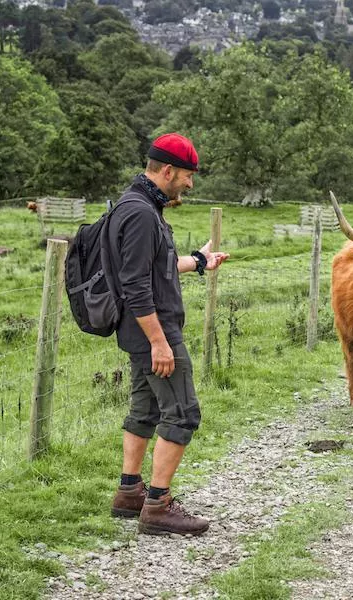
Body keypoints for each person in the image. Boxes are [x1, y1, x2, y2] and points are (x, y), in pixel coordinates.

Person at [109, 133, 229, 536]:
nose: (190, 185)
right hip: (153, 329)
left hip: (138, 328)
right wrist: (160, 342)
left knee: (145, 409)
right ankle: (158, 506)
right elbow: (135, 284)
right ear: (168, 170)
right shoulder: (143, 214)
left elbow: (152, 267)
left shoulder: (133, 204)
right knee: (182, 412)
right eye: (188, 176)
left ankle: (130, 493)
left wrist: (197, 261)